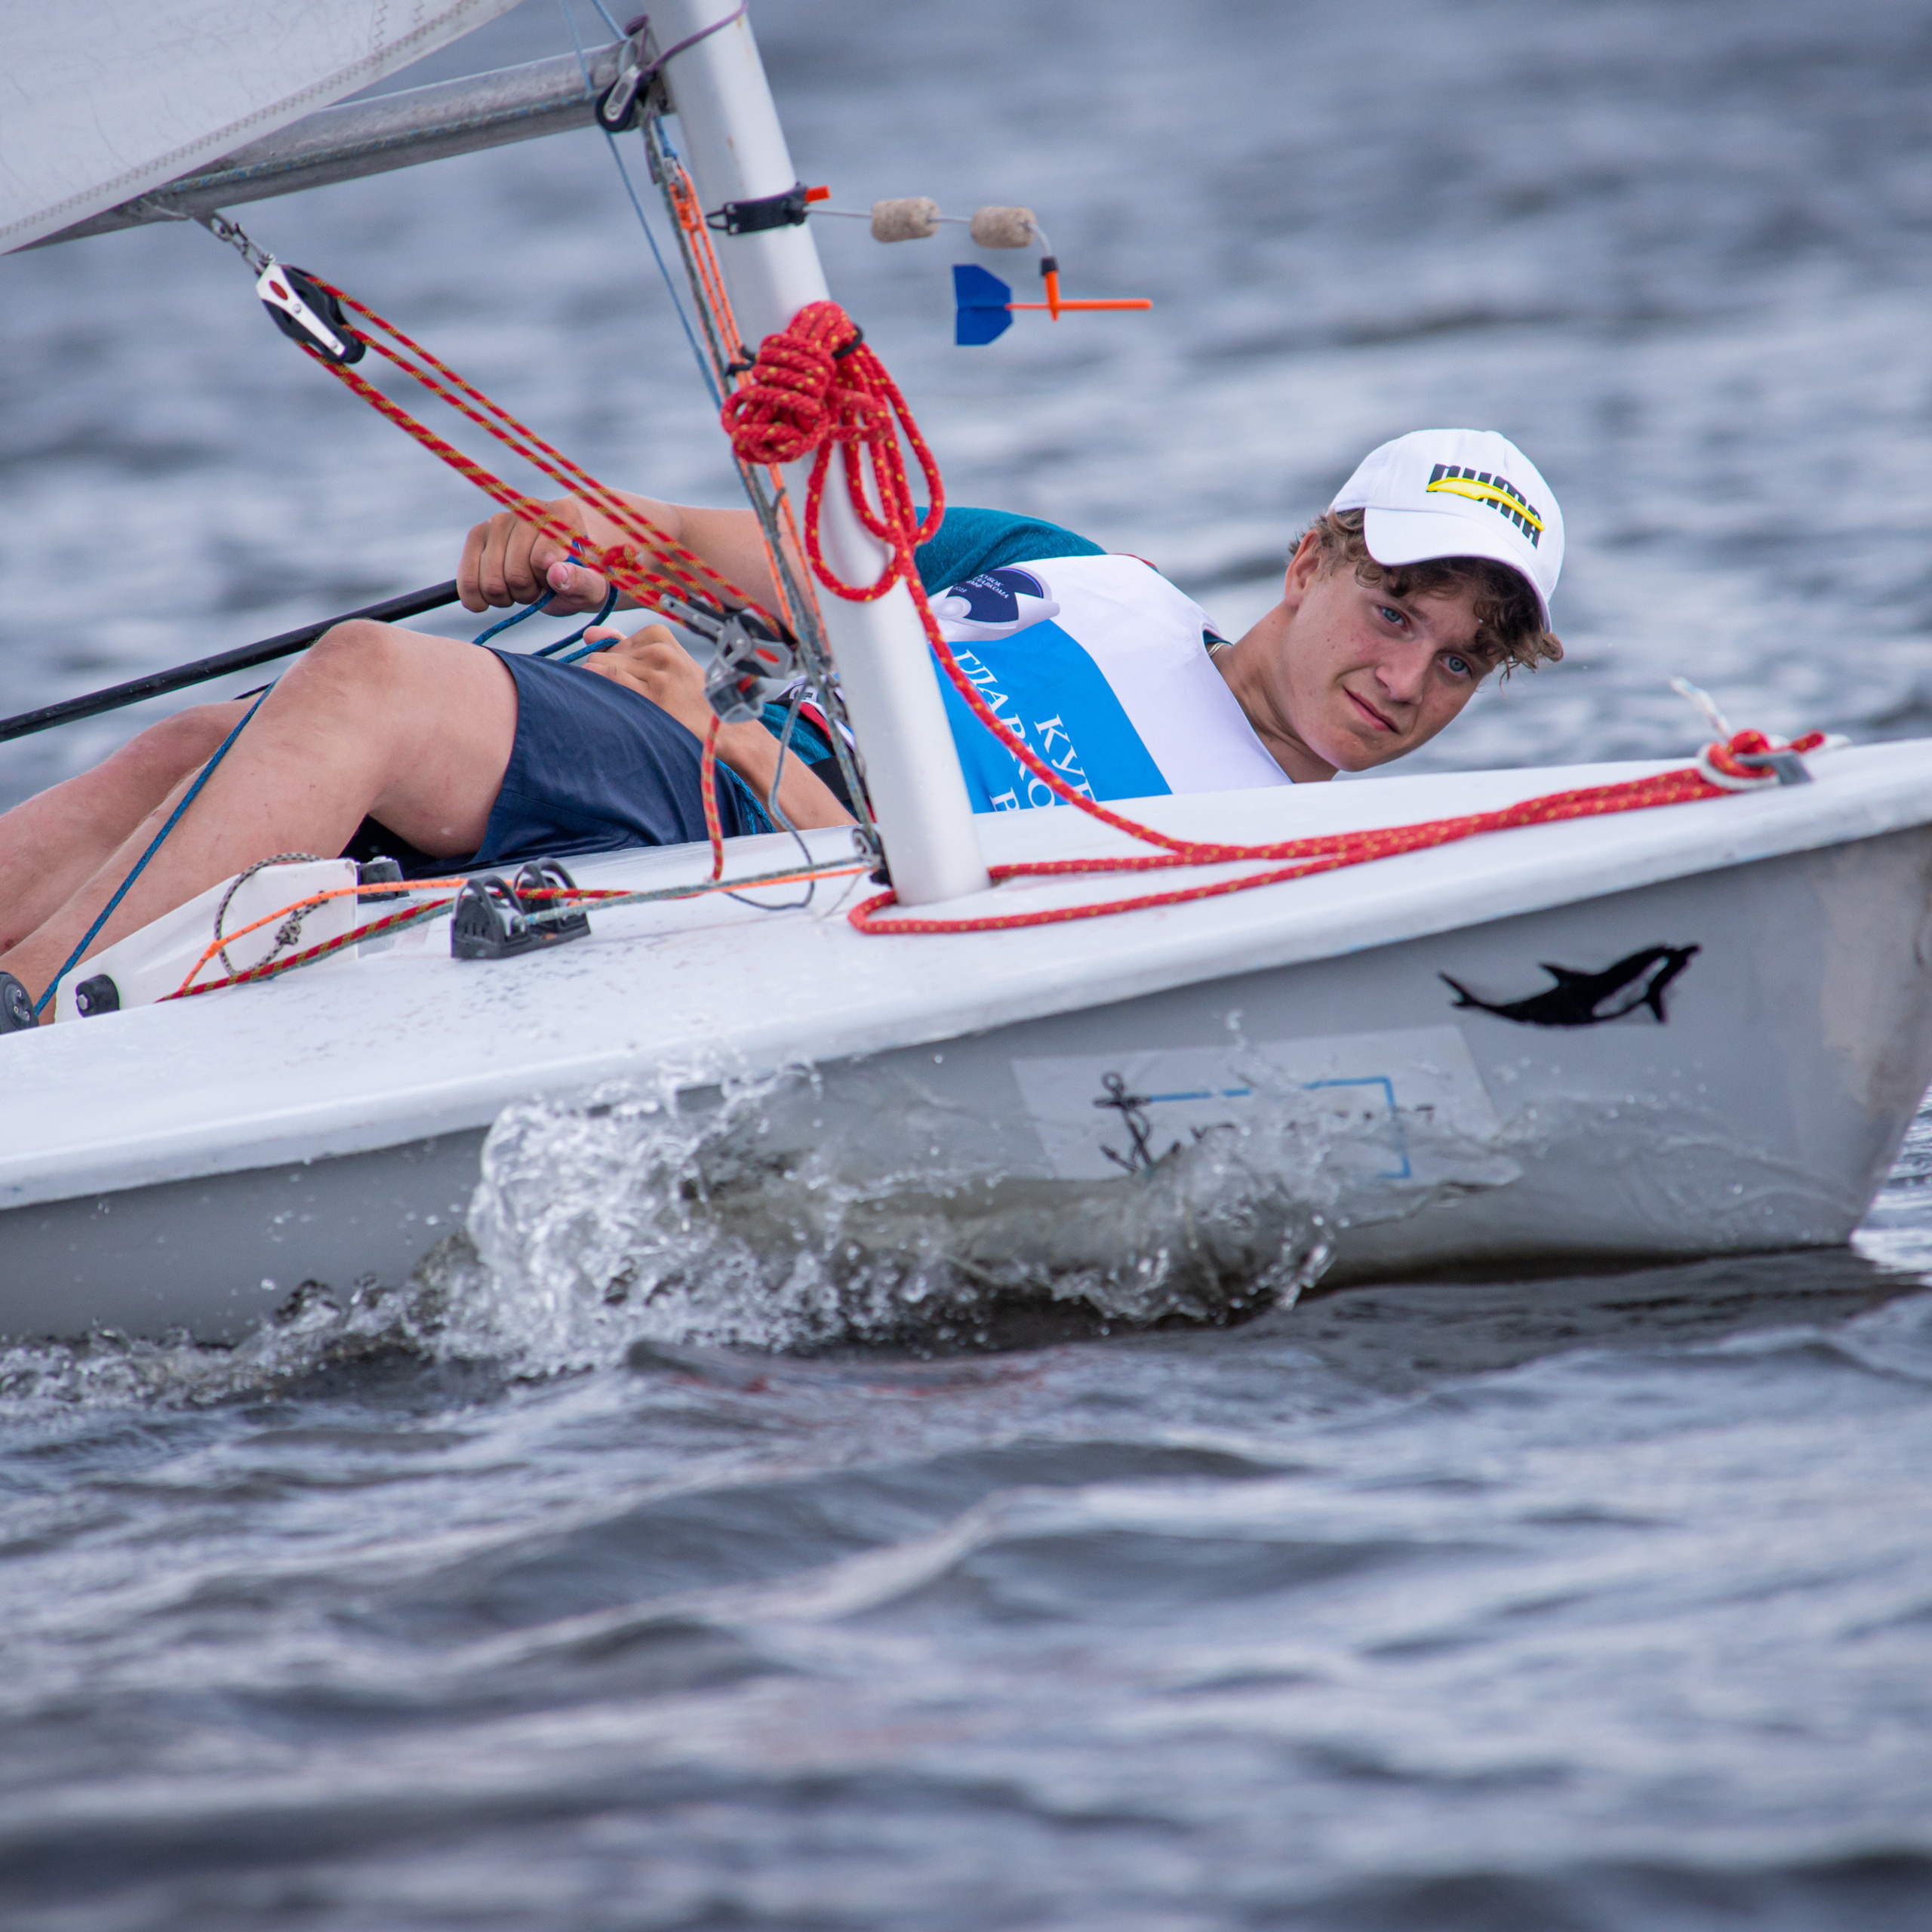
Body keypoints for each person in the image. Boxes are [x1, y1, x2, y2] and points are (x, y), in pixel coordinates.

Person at [0, 426, 1562, 1021]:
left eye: (1456, 664)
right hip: (692, 781)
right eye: (1395, 612)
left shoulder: (1290, 850)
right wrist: (577, 530)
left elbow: (968, 937)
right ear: (1309, 560)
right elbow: (750, 555)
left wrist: (738, 750)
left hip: (771, 857)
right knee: (194, 743)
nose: (1406, 681)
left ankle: (44, 1055)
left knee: (369, 681)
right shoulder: (1088, 579)